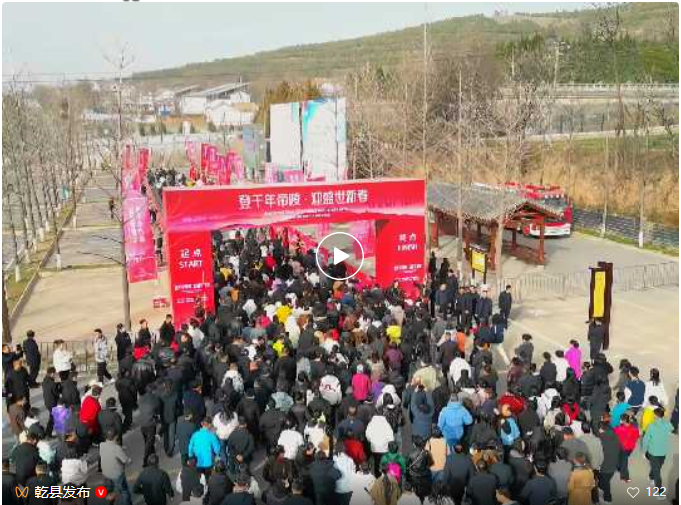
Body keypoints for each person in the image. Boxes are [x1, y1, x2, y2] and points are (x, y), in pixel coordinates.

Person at [641, 407, 674, 492]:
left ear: (655, 416)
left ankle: (652, 479)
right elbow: (672, 429)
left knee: (657, 469)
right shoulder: (667, 423)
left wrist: (644, 452)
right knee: (657, 470)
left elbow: (645, 440)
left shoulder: (651, 426)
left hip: (653, 452)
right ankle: (659, 490)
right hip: (663, 451)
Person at [100, 429, 133, 505]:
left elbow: (109, 450)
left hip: (106, 473)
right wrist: (130, 460)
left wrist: (119, 448)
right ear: (116, 437)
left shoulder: (101, 445)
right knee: (124, 491)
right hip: (117, 474)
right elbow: (125, 460)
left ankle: (111, 503)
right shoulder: (116, 448)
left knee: (110, 490)